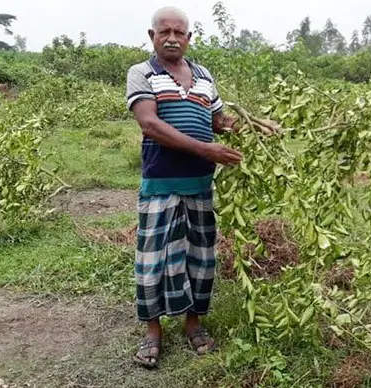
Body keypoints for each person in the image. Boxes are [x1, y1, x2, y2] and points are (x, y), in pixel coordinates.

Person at [125, 6, 243, 369]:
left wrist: (247, 124)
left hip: (200, 185)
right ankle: (153, 332)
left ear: (189, 38)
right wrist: (205, 148)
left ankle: (194, 324)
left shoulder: (204, 76)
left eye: (180, 32)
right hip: (161, 183)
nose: (173, 38)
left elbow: (217, 119)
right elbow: (150, 125)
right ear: (152, 36)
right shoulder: (142, 73)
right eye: (165, 32)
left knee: (199, 258)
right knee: (153, 261)